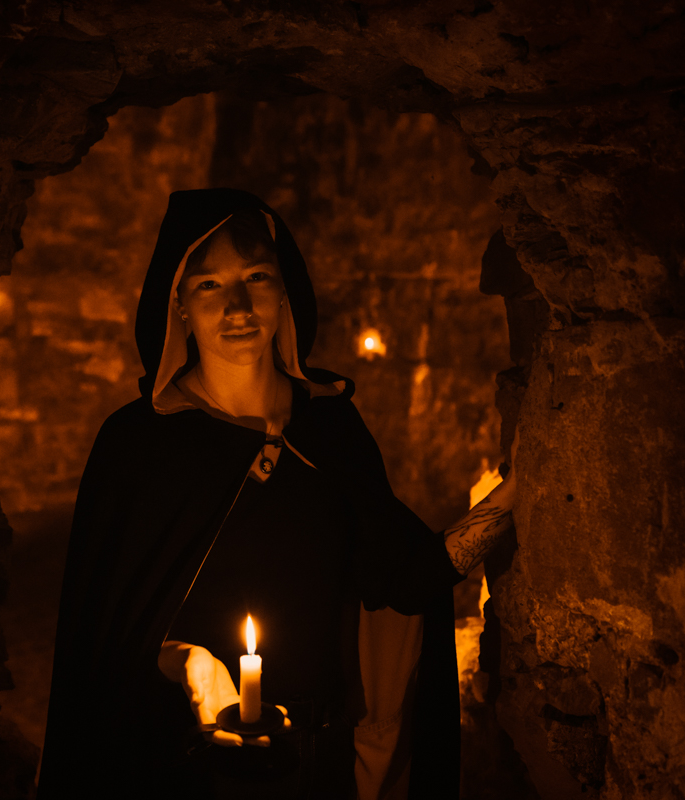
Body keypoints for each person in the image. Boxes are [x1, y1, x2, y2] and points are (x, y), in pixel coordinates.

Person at [37, 188, 518, 799]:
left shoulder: (330, 427)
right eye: (209, 285)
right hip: (180, 765)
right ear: (178, 303)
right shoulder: (136, 447)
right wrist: (192, 666)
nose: (238, 304)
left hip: (317, 762)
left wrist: (520, 493)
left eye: (256, 276)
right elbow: (106, 644)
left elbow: (399, 577)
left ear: (284, 287)